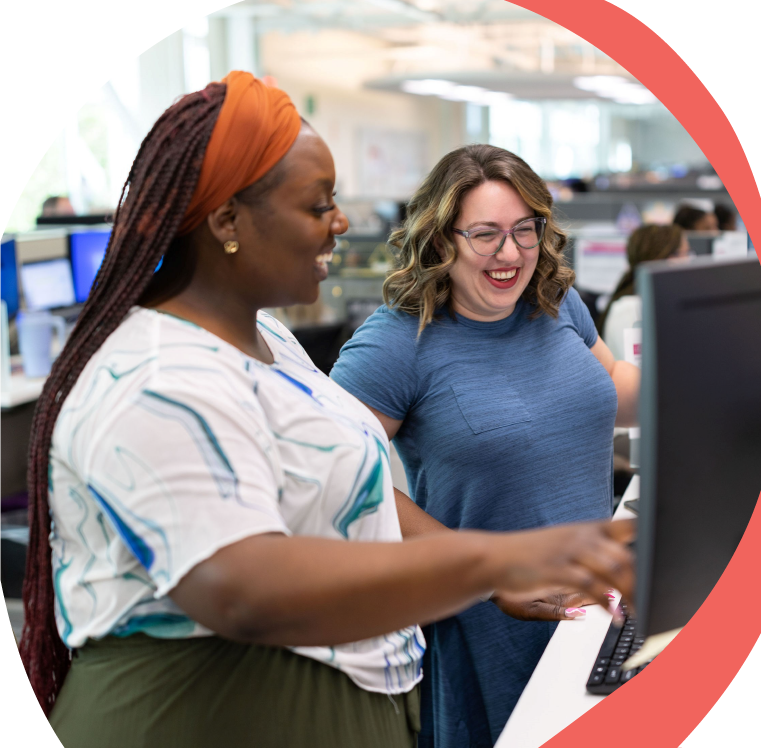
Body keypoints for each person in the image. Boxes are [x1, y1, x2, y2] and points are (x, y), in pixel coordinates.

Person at [19, 73, 635, 748]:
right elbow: (240, 590)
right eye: (318, 206)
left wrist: (487, 576)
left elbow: (359, 483)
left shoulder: (267, 340)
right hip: (199, 713)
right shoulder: (159, 379)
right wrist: (496, 562)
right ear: (227, 220)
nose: (342, 223)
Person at [329, 144, 641, 747]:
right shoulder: (397, 340)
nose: (511, 254)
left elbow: (611, 388)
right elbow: (339, 476)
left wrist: (721, 384)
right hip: (493, 617)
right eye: (486, 235)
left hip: (594, 602)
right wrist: (486, 573)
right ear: (441, 239)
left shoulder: (553, 302)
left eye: (526, 231)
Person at [598, 223, 689, 360]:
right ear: (663, 257)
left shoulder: (660, 301)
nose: (688, 261)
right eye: (683, 254)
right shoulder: (629, 308)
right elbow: (640, 374)